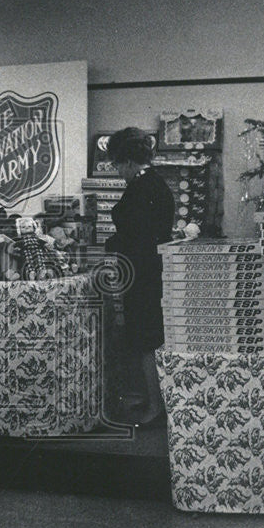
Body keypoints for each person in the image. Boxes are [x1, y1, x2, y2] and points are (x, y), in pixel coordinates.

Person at [104, 127, 175, 425]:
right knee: (150, 339)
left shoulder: (139, 188)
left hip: (143, 275)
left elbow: (133, 235)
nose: (118, 171)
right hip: (152, 271)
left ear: (128, 161)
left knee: (147, 341)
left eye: (118, 165)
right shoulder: (157, 184)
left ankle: (154, 408)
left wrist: (110, 247)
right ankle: (153, 400)